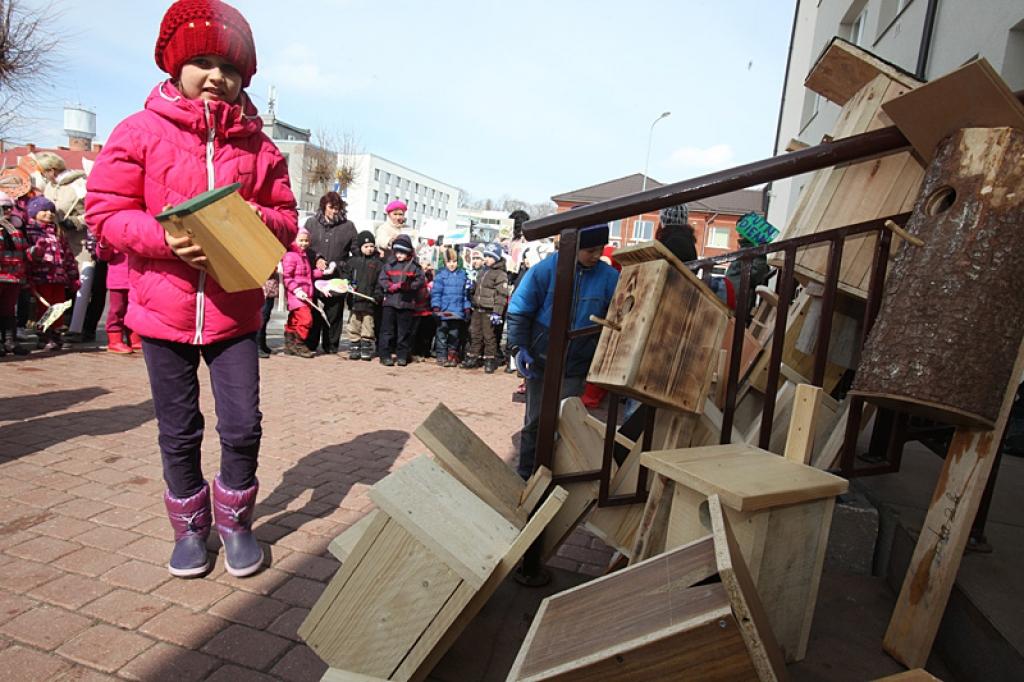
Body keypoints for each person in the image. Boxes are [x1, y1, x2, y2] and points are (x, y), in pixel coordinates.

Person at [85, 0, 298, 579]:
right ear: (175, 66)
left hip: (235, 314)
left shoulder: (260, 148)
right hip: (161, 313)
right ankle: (189, 528)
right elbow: (105, 212)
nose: (217, 77)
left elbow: (285, 219)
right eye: (202, 61)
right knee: (178, 432)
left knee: (242, 426)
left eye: (230, 68)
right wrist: (162, 237)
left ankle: (234, 520)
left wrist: (244, 219)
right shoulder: (139, 132)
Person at [506, 224, 619, 479]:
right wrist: (518, 346)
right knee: (536, 420)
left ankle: (554, 476)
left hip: (577, 362)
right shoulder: (545, 270)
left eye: (600, 249)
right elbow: (519, 310)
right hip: (541, 360)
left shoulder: (609, 277)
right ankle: (526, 475)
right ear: (574, 247)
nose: (596, 255)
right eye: (590, 250)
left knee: (565, 422)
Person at [36, 151, 93, 341]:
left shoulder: (79, 184)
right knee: (58, 286)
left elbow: (93, 211)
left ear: (51, 170)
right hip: (56, 243)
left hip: (79, 242)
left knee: (82, 285)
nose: (43, 175)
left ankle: (78, 327)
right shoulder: (49, 187)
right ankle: (54, 326)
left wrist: (75, 222)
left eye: (43, 171)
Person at [304, 192, 356, 355]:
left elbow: (355, 251)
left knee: (334, 312)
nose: (335, 211)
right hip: (314, 275)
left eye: (338, 208)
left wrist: (345, 267)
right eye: (331, 207)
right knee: (314, 311)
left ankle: (331, 344)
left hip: (337, 275)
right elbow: (304, 245)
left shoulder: (348, 226)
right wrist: (317, 258)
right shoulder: (311, 223)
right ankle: (311, 343)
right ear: (324, 207)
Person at [24, 196, 79, 350]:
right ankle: (44, 335)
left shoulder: (58, 233)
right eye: (44, 210)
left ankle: (56, 333)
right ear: (34, 212)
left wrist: (73, 275)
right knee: (45, 307)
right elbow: (27, 255)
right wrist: (35, 254)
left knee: (58, 307)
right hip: (41, 276)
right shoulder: (31, 232)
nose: (49, 214)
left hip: (59, 277)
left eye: (51, 211)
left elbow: (68, 255)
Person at [377, 233, 424, 366]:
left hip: (406, 303)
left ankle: (402, 356)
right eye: (397, 252)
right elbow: (382, 279)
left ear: (408, 252)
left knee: (404, 332)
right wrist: (391, 286)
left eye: (402, 253)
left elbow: (420, 280)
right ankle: (384, 355)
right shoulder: (389, 264)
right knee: (386, 331)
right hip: (390, 302)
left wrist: (410, 286)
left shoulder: (414, 266)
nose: (399, 255)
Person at [463, 243, 510, 373]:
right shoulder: (482, 271)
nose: (487, 259)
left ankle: (490, 359)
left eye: (490, 257)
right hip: (478, 308)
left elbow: (502, 295)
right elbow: (477, 290)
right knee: (475, 334)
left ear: (496, 258)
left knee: (489, 336)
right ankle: (473, 357)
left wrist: (497, 312)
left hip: (489, 310)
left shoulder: (500, 274)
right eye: (486, 256)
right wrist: (471, 286)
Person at [340, 230, 383, 361]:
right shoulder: (353, 262)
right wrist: (347, 284)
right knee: (354, 324)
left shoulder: (378, 264)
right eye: (366, 246)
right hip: (355, 301)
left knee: (368, 325)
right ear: (360, 247)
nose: (369, 249)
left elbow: (380, 283)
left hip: (369, 302)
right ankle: (354, 346)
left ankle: (366, 346)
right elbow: (346, 275)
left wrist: (378, 295)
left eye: (371, 246)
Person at [94, 238, 138, 354]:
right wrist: (103, 245)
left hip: (137, 279)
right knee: (117, 310)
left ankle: (134, 337)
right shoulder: (113, 231)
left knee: (134, 309)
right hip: (118, 279)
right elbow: (104, 256)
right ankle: (114, 339)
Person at [281, 228, 319, 359]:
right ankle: (299, 343)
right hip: (297, 295)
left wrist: (321, 273)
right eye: (301, 240)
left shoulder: (304, 256)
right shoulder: (291, 256)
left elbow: (306, 275)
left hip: (305, 294)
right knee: (306, 319)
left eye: (306, 240)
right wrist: (296, 290)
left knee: (295, 319)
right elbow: (287, 276)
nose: (304, 243)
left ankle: (290, 344)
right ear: (295, 240)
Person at [430, 247, 470, 366]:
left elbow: (465, 294)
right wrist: (436, 307)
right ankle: (441, 356)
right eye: (449, 262)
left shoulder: (463, 275)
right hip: (443, 311)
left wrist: (466, 308)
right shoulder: (440, 275)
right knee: (441, 334)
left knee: (454, 335)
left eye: (454, 261)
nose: (452, 264)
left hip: (457, 311)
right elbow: (436, 293)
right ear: (445, 262)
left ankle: (452, 355)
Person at [0, 192, 28, 356]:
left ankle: (10, 341)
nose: (8, 211)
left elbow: (23, 250)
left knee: (9, 310)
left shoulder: (15, 227)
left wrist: (34, 252)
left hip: (14, 276)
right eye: (4, 208)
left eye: (10, 207)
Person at [257, 268, 280, 358]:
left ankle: (262, 344)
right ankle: (257, 345)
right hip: (264, 289)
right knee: (261, 318)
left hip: (270, 289)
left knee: (266, 318)